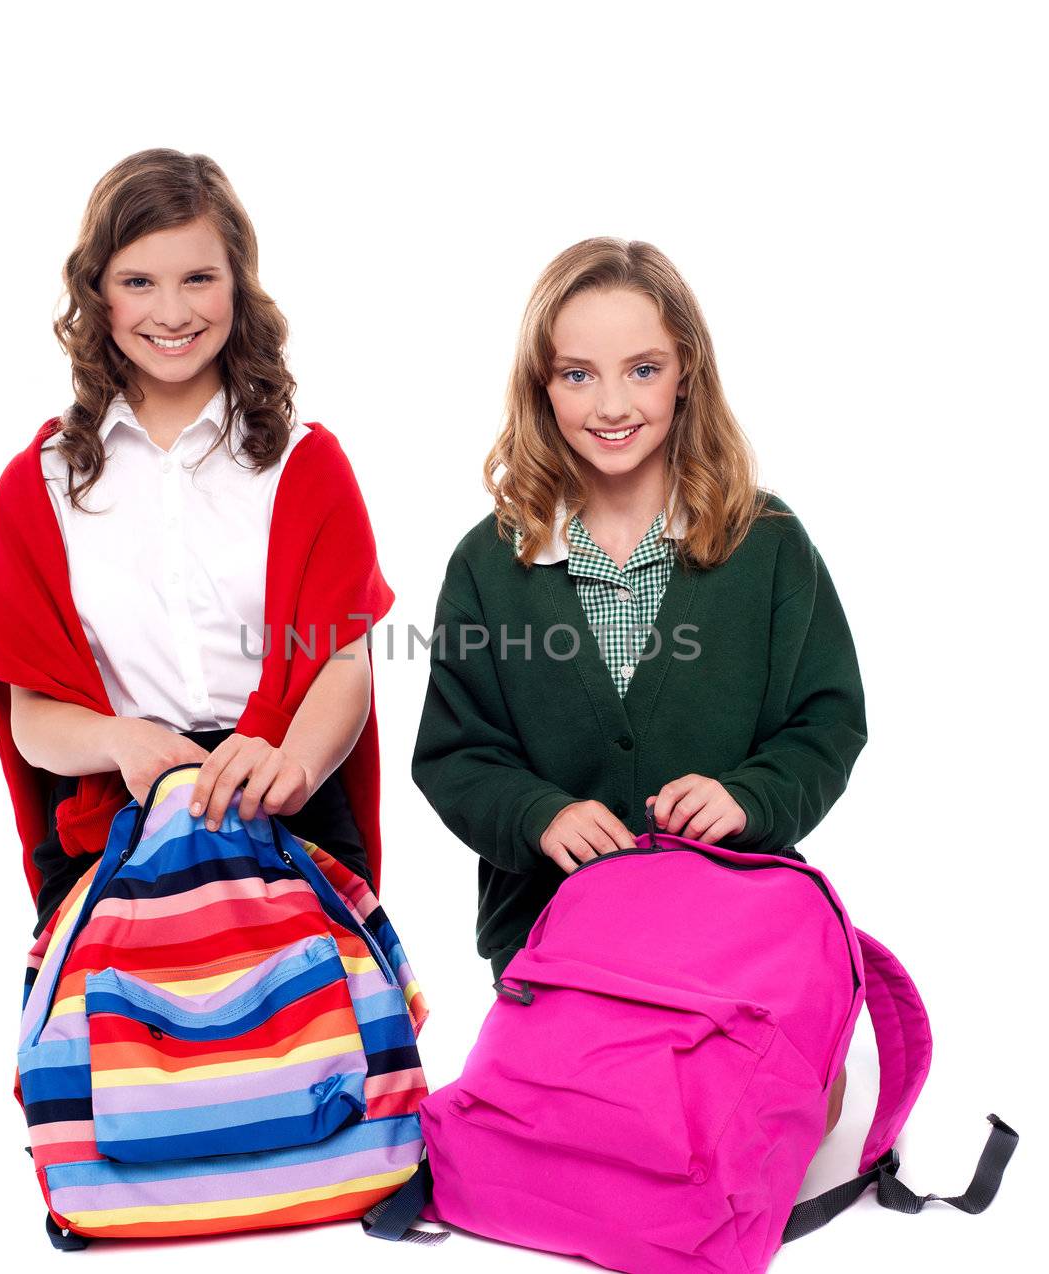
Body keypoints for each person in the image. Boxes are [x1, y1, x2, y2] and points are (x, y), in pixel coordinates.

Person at [410, 237, 866, 1131]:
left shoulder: (767, 545)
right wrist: (540, 814)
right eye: (577, 375)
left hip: (728, 940)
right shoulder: (489, 564)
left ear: (685, 373)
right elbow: (455, 754)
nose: (611, 405)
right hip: (554, 945)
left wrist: (747, 798)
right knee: (591, 1136)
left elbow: (827, 721)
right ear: (540, 385)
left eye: (642, 369)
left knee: (758, 1127)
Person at [0, 149, 393, 933]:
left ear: (239, 283)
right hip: (117, 823)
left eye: (199, 278)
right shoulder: (40, 487)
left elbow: (344, 660)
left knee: (316, 1053)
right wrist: (123, 742)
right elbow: (31, 716)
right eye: (138, 282)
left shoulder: (305, 464)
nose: (171, 312)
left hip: (286, 806)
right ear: (96, 293)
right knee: (117, 1056)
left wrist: (290, 764)